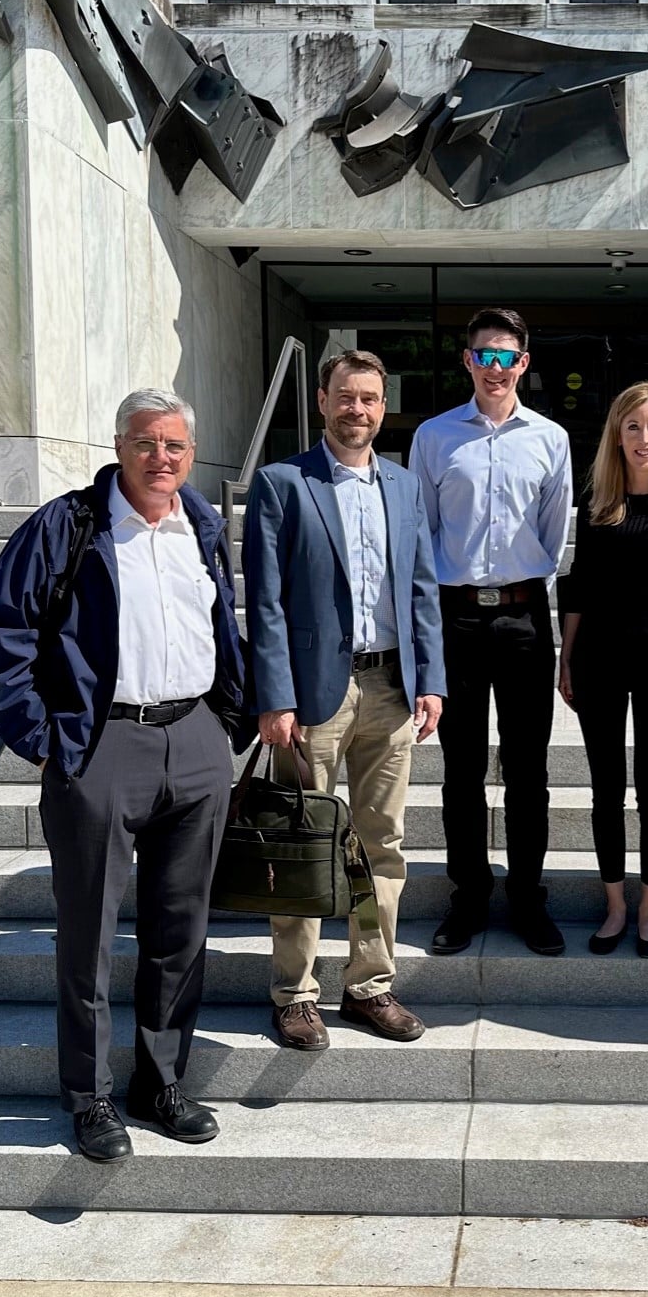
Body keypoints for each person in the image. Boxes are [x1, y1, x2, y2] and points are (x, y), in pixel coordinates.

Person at [0, 390, 248, 1162]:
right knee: (89, 933)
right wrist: (45, 741)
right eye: (145, 443)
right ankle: (89, 1096)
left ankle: (160, 1083)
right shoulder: (67, 525)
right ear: (119, 446)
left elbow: (222, 622)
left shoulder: (200, 524)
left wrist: (225, 721)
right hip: (99, 746)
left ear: (189, 454)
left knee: (180, 929)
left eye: (174, 445)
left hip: (194, 740)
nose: (161, 458)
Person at [243, 350, 445, 1049]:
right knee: (302, 844)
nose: (357, 409)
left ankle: (368, 984)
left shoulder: (404, 486)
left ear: (383, 408)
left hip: (391, 688)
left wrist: (431, 679)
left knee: (380, 843)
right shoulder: (282, 483)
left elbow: (421, 587)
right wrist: (275, 697)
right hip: (310, 698)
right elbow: (265, 601)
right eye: (346, 396)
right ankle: (295, 993)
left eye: (369, 398)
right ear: (323, 401)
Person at [410, 308, 573, 958]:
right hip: (456, 619)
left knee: (528, 768)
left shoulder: (550, 439)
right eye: (484, 355)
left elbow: (555, 535)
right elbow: (421, 533)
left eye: (507, 357)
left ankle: (528, 896)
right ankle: (470, 896)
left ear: (523, 364)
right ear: (468, 362)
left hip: (524, 617)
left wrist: (525, 591)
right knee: (462, 769)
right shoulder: (434, 437)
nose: (495, 368)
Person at [558, 383, 648, 956]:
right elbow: (578, 585)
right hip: (598, 659)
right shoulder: (598, 501)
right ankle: (615, 906)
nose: (644, 438)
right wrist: (566, 655)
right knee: (605, 789)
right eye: (633, 427)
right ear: (617, 436)